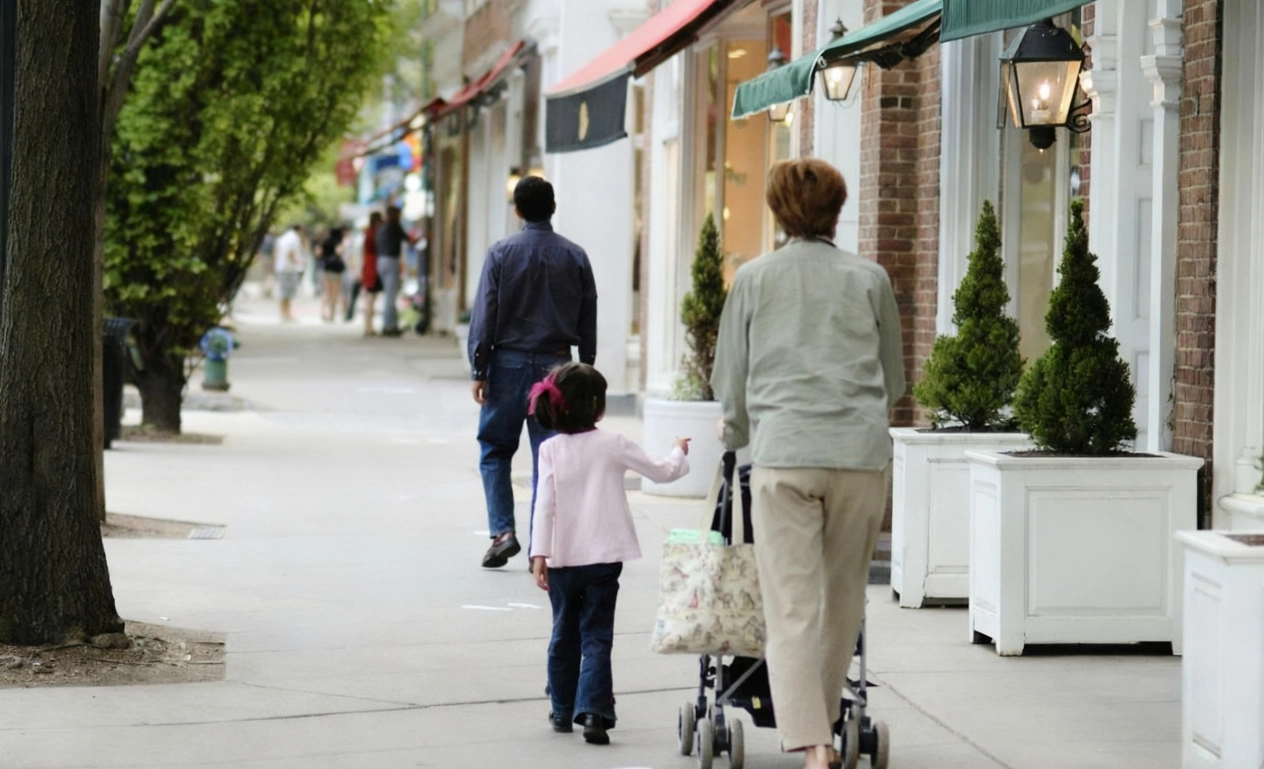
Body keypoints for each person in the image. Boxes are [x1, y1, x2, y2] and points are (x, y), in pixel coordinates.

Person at [711, 159, 906, 769]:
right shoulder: (870, 278)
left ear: (776, 212)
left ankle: (814, 743)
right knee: (843, 598)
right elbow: (896, 379)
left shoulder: (753, 279)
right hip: (858, 456)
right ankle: (822, 727)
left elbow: (730, 380)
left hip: (785, 457)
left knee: (791, 606)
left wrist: (736, 435)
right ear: (837, 210)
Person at [527, 363, 690, 745]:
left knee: (562, 633)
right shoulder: (613, 442)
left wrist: (539, 555)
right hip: (604, 558)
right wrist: (678, 451)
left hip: (562, 559)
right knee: (597, 637)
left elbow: (543, 505)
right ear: (597, 407)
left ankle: (562, 711)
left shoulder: (550, 449)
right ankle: (595, 713)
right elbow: (662, 472)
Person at [468, 176, 598, 570]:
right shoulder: (574, 256)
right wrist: (586, 368)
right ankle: (541, 549)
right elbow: (588, 313)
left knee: (494, 450)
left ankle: (503, 532)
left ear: (518, 211)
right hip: (557, 367)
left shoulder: (501, 253)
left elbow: (485, 313)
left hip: (506, 363)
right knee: (550, 457)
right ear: (553, 208)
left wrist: (479, 366)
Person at [375, 206, 416, 337]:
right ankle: (389, 326)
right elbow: (410, 241)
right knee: (391, 296)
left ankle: (389, 324)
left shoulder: (382, 228)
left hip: (381, 260)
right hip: (391, 260)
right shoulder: (394, 226)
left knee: (388, 294)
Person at [274, 224, 306, 322]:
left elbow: (277, 251)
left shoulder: (284, 237)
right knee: (285, 292)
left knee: (286, 292)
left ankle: (286, 313)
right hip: (288, 268)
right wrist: (299, 262)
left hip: (282, 267)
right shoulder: (293, 238)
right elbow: (290, 252)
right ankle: (285, 314)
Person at [359, 211, 383, 336]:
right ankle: (368, 326)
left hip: (370, 266)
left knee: (371, 299)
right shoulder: (373, 233)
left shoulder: (370, 232)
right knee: (370, 298)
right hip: (372, 267)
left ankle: (369, 326)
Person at [319, 227, 348, 323]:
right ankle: (332, 314)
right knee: (335, 293)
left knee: (327, 292)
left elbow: (319, 253)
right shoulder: (337, 242)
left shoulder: (325, 241)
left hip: (326, 269)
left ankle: (323, 311)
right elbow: (339, 251)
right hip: (335, 270)